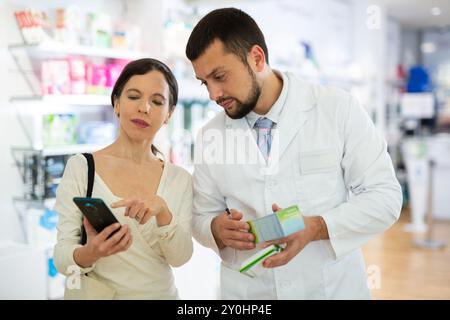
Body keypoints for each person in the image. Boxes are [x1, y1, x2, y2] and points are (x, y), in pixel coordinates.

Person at [186, 8, 402, 299]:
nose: (213, 94)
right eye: (204, 82)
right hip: (250, 293)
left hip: (330, 289)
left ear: (257, 58)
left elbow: (385, 197)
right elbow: (201, 215)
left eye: (220, 76)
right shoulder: (210, 136)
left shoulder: (336, 108)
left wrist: (317, 227)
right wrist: (215, 228)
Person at [53, 58, 193, 299]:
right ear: (116, 103)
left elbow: (180, 257)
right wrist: (91, 252)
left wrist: (163, 213)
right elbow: (62, 258)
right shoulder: (82, 167)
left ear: (169, 114)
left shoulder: (179, 179)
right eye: (133, 96)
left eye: (157, 101)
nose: (144, 108)